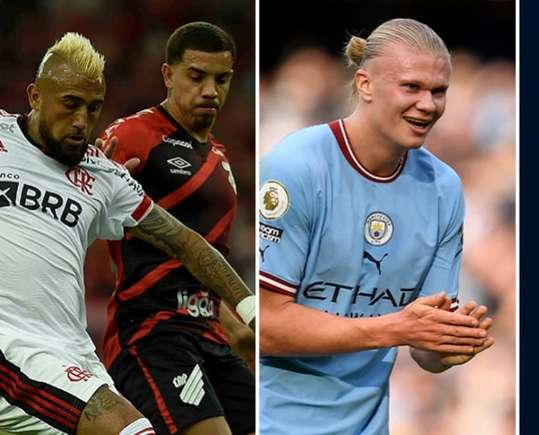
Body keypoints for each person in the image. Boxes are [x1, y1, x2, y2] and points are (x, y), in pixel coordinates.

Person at [0, 32, 254, 435]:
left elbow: (185, 241)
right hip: (16, 343)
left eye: (93, 107)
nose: (82, 121)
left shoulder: (104, 175)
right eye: (70, 105)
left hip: (74, 357)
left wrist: (249, 307)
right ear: (34, 96)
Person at [259, 18, 495, 434]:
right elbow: (265, 325)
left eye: (439, 91)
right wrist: (395, 328)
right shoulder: (297, 166)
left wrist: (450, 342)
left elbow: (423, 351)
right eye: (412, 87)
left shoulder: (443, 188)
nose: (428, 104)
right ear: (365, 84)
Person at [97, 22, 254, 435]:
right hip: (151, 331)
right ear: (169, 75)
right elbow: (81, 199)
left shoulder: (219, 156)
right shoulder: (132, 134)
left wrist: (236, 324)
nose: (210, 91)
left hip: (210, 334)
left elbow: (205, 261)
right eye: (196, 76)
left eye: (221, 79)